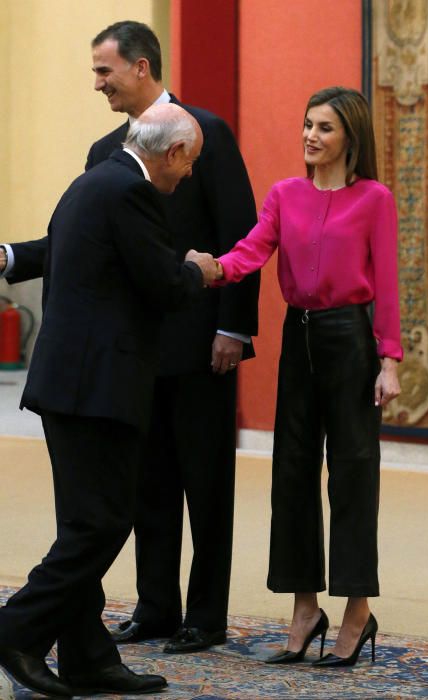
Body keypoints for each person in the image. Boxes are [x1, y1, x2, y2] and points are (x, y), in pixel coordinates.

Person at [0, 20, 260, 654]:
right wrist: (9, 255)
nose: (97, 85)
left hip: (203, 345)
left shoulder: (207, 134)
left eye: (104, 71)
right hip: (135, 353)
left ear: (141, 67)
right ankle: (156, 607)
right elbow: (79, 244)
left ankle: (205, 614)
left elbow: (241, 235)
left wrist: (234, 326)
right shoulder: (106, 154)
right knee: (145, 486)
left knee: (206, 484)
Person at [0, 104, 219, 698]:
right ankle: (15, 629)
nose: (190, 176)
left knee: (82, 522)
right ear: (171, 153)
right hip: (97, 389)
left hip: (68, 383)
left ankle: (87, 656)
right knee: (102, 525)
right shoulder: (132, 192)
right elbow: (164, 284)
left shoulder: (94, 180)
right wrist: (200, 269)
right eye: (190, 163)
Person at [211, 86, 402, 667]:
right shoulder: (284, 195)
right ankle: (304, 608)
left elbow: (389, 284)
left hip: (350, 342)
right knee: (291, 473)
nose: (310, 136)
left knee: (353, 475)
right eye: (306, 125)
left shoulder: (374, 199)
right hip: (300, 338)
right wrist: (210, 270)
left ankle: (356, 611)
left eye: (324, 127)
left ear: (351, 137)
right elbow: (250, 253)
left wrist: (389, 359)